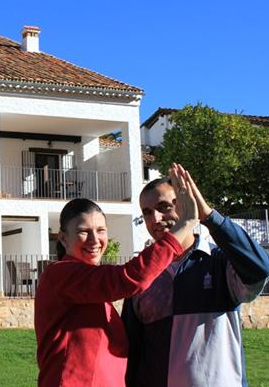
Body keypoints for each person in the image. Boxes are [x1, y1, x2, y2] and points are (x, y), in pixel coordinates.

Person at [34, 165, 198, 387]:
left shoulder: (90, 286)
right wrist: (185, 225)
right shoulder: (60, 275)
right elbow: (129, 278)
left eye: (101, 230)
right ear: (63, 239)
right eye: (83, 231)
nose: (94, 240)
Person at [122, 165, 269, 387]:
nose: (155, 218)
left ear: (186, 204)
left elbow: (260, 268)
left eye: (164, 207)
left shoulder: (220, 262)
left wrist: (208, 216)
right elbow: (131, 349)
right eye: (146, 212)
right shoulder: (141, 272)